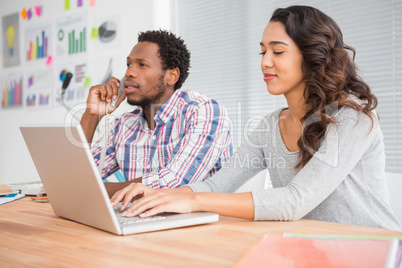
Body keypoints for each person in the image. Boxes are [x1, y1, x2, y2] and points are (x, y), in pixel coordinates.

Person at [110, 6, 401, 230]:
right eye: (263, 51)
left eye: (277, 51)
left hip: (372, 248)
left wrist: (192, 200)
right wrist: (160, 193)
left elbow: (294, 201)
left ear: (313, 56)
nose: (264, 61)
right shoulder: (269, 126)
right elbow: (215, 185)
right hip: (310, 247)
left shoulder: (354, 117)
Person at [80, 30, 233, 197]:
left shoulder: (204, 112)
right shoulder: (124, 124)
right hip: (143, 218)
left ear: (171, 76)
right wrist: (92, 115)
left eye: (142, 65)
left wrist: (91, 189)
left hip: (204, 221)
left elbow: (174, 185)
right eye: (129, 64)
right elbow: (74, 176)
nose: (128, 73)